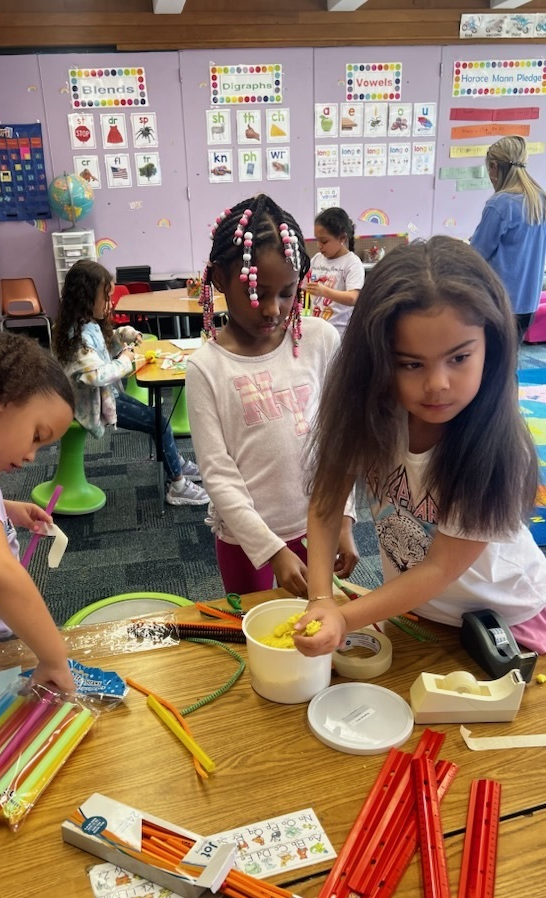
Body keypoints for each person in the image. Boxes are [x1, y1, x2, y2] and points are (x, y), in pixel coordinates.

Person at [294, 236, 546, 658]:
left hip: (505, 621)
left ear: (492, 346)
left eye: (459, 358)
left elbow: (441, 566)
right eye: (411, 364)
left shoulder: (498, 452)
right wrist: (322, 600)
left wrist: (343, 617)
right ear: (377, 357)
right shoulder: (371, 412)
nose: (437, 385)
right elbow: (325, 504)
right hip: (418, 607)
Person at [185, 194, 358, 595]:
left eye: (286, 292)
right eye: (255, 291)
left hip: (319, 525)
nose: (272, 309)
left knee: (316, 631)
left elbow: (340, 439)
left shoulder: (320, 339)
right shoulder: (206, 369)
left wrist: (344, 517)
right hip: (247, 542)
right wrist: (272, 550)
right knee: (261, 630)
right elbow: (218, 475)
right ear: (218, 280)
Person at [52, 260, 208, 507]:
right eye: (105, 297)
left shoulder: (85, 324)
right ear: (86, 298)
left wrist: (122, 335)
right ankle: (177, 485)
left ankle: (174, 461)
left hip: (107, 395)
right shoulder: (77, 336)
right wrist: (126, 360)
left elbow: (101, 349)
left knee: (157, 420)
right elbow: (95, 375)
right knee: (160, 423)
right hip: (91, 403)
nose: (110, 303)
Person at [0, 330, 76, 693]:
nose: (32, 455)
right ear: (4, 398)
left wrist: (4, 510)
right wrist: (53, 658)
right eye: (36, 435)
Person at [470, 135, 546, 343]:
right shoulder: (539, 200)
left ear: (494, 166)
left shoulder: (501, 203)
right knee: (509, 361)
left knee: (492, 366)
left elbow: (476, 255)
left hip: (500, 303)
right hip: (528, 302)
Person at [304, 207, 365, 338]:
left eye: (324, 241)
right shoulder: (317, 259)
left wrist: (324, 291)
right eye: (317, 240)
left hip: (339, 334)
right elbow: (304, 283)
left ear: (342, 238)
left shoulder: (351, 263)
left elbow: (353, 298)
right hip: (317, 330)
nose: (319, 245)